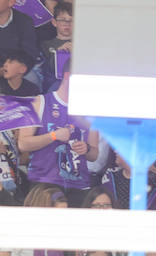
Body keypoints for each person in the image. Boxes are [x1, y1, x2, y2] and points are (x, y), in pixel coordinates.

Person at [16, 74, 101, 203]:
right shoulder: (39, 102)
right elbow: (23, 143)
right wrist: (53, 136)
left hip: (78, 185)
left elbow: (94, 154)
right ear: (68, 76)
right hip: (44, 182)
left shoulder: (89, 110)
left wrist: (86, 148)